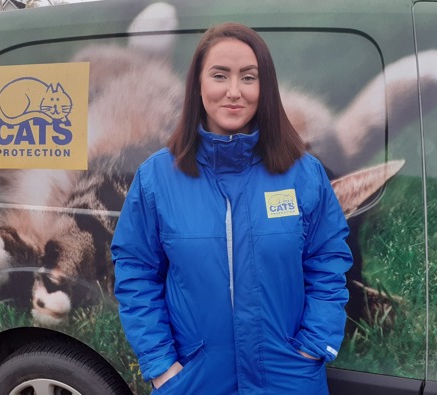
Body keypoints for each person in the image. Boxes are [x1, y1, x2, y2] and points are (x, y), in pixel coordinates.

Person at [111, 22, 353, 395]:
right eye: (220, 75)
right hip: (195, 381)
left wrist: (312, 347)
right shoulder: (157, 178)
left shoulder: (303, 173)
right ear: (198, 85)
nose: (234, 92)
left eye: (249, 77)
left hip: (290, 378)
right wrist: (162, 365)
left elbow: (327, 259)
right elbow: (136, 271)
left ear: (265, 87)